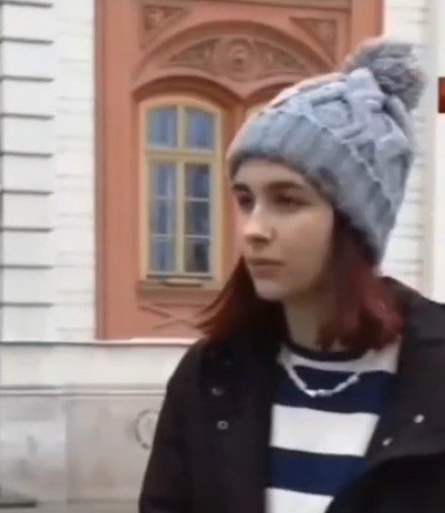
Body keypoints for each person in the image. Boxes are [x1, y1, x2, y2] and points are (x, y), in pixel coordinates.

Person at [138, 38, 445, 513]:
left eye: (288, 200)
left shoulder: (433, 373)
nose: (253, 229)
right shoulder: (210, 375)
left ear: (355, 222)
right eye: (246, 200)